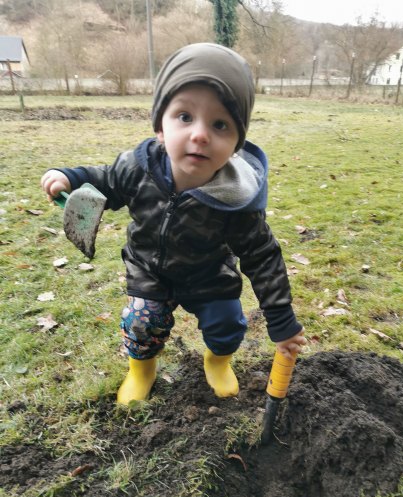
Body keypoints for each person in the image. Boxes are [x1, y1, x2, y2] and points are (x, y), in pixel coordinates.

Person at [40, 43, 306, 405]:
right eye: (184, 116)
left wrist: (282, 320)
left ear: (236, 144)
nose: (200, 134)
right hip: (150, 270)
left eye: (220, 124)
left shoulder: (236, 200)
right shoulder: (138, 167)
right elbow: (105, 181)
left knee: (227, 325)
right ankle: (141, 371)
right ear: (160, 127)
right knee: (141, 323)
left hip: (209, 276)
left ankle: (217, 361)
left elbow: (263, 258)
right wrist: (69, 177)